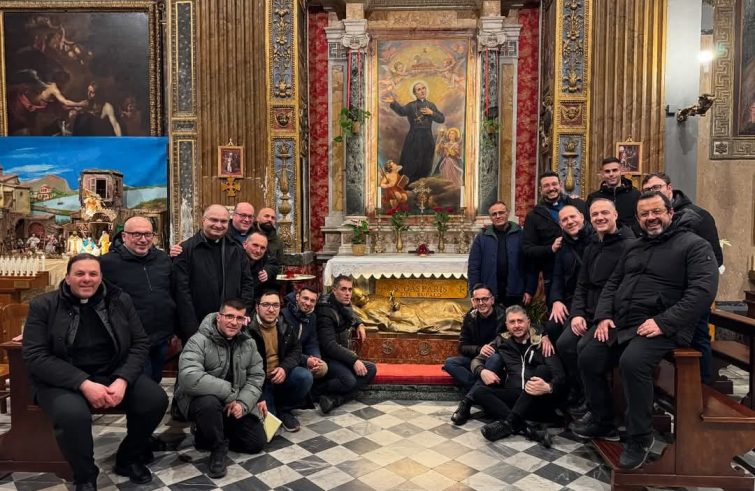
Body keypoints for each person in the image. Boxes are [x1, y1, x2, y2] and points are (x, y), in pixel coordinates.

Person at [574, 191, 719, 470]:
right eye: (644, 214)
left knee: (633, 362)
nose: (651, 218)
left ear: (670, 213)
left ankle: (640, 437)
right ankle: (603, 419)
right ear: (638, 218)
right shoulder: (635, 247)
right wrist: (603, 316)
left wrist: (663, 322)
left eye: (656, 212)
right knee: (588, 353)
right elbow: (613, 284)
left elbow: (702, 291)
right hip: (625, 322)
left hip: (664, 326)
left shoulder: (694, 245)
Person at [22, 254, 168, 490]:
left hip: (111, 372)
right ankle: (85, 476)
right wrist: (84, 383)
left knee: (154, 399)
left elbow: (140, 342)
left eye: (93, 274)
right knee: (72, 415)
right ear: (67, 277)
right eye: (80, 274)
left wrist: (122, 379)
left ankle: (129, 458)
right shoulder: (44, 305)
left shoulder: (119, 300)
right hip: (62, 380)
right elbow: (35, 355)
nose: (86, 279)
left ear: (101, 277)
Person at [641, 172, 724, 383]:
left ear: (669, 188)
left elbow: (715, 258)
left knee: (698, 338)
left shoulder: (699, 216)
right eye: (647, 190)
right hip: (664, 295)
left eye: (657, 187)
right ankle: (670, 387)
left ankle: (703, 387)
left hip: (691, 293)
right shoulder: (649, 219)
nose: (653, 192)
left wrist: (691, 284)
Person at [555, 199, 634, 415]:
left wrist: (603, 316)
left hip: (612, 316)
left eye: (604, 213)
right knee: (564, 344)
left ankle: (597, 405)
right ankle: (583, 392)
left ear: (615, 214)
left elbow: (624, 289)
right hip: (589, 312)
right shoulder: (593, 246)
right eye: (595, 214)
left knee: (584, 349)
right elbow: (582, 284)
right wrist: (577, 314)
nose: (600, 217)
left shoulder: (629, 245)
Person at [174, 299, 266, 479]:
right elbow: (189, 377)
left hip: (234, 402)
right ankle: (217, 447)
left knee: (256, 443)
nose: (234, 322)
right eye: (229, 316)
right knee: (208, 403)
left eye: (239, 318)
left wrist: (242, 404)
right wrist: (231, 393)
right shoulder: (198, 341)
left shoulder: (248, 343)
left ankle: (209, 433)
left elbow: (256, 377)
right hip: (201, 401)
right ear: (219, 317)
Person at [474, 305, 565, 446]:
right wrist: (482, 370)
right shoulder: (501, 341)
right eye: (512, 322)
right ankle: (527, 429)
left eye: (520, 321)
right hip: (515, 397)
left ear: (528, 322)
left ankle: (509, 422)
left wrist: (549, 387)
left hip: (538, 400)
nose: (516, 325)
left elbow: (561, 376)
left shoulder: (542, 343)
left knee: (542, 369)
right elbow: (476, 361)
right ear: (507, 325)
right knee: (479, 392)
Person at [100, 216, 175, 383]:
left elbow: (172, 292)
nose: (143, 239)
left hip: (161, 336)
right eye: (137, 234)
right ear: (124, 236)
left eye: (148, 234)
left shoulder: (163, 259)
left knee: (155, 379)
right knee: (141, 385)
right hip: (131, 341)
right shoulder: (107, 263)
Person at [173, 204, 255, 342]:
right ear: (203, 220)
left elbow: (247, 284)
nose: (218, 225)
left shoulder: (237, 249)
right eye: (214, 220)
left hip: (232, 324)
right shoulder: (185, 250)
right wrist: (191, 329)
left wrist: (242, 313)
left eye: (223, 221)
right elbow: (181, 293)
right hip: (198, 326)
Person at [248, 290, 312, 432]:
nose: (271, 309)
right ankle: (273, 407)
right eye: (266, 305)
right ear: (257, 307)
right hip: (259, 383)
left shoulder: (284, 323)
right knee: (269, 431)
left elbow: (296, 349)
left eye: (275, 305)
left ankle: (284, 409)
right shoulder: (248, 328)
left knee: (304, 376)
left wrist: (284, 368)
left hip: (279, 376)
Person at [444, 283, 506, 425]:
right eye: (477, 300)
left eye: (485, 299)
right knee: (450, 363)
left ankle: (467, 403)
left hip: (496, 363)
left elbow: (508, 340)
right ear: (473, 301)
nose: (481, 303)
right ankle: (482, 391)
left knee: (495, 358)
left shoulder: (503, 315)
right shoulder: (470, 317)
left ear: (492, 300)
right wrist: (479, 349)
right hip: (475, 361)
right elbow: (462, 346)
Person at [315, 275, 376, 414]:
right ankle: (315, 392)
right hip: (327, 357)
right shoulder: (325, 311)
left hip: (340, 355)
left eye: (350, 289)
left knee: (371, 369)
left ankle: (335, 400)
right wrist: (354, 360)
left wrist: (359, 323)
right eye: (343, 289)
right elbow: (329, 345)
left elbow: (351, 313)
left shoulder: (342, 302)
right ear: (334, 290)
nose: (348, 293)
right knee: (349, 381)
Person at [523, 171, 586, 304]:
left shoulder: (578, 205)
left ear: (560, 185)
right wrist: (550, 248)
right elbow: (527, 249)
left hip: (583, 271)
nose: (551, 188)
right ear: (540, 189)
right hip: (552, 276)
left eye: (554, 184)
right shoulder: (533, 216)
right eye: (546, 186)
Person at [542, 205, 592, 356]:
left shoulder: (596, 239)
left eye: (573, 217)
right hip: (569, 299)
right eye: (564, 220)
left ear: (582, 217)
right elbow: (557, 275)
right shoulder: (562, 244)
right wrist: (556, 300)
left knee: (567, 339)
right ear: (560, 225)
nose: (570, 222)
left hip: (590, 300)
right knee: (552, 327)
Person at [467, 201, 536, 308]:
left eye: (501, 212)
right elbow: (474, 267)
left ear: (508, 213)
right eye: (494, 214)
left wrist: (529, 290)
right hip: (489, 294)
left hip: (516, 292)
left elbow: (531, 264)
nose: (498, 216)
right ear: (490, 217)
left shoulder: (521, 235)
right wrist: (474, 292)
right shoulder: (482, 237)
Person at [383, 82, 446, 183]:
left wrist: (432, 113)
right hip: (413, 137)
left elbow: (441, 119)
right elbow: (401, 111)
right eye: (419, 89)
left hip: (427, 138)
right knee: (411, 162)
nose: (422, 91)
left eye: (423, 88)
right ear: (415, 93)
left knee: (426, 162)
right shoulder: (411, 106)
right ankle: (409, 186)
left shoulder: (431, 105)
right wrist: (393, 102)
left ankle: (423, 186)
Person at [281, 287, 328, 379]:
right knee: (305, 376)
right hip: (286, 359)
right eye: (305, 298)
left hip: (303, 357)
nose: (308, 303)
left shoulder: (312, 317)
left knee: (323, 368)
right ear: (297, 297)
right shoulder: (284, 314)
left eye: (312, 301)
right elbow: (285, 349)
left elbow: (312, 342)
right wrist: (306, 360)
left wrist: (316, 358)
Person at [586, 157, 641, 231]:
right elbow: (589, 223)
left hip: (630, 237)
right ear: (602, 173)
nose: (611, 174)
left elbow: (640, 219)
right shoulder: (593, 198)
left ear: (621, 170)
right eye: (607, 171)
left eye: (615, 170)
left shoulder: (635, 195)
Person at [251, 207, 283, 280]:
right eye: (266, 216)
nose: (270, 219)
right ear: (257, 218)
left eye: (273, 218)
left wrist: (268, 272)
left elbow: (278, 265)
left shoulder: (277, 241)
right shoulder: (249, 234)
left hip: (269, 282)